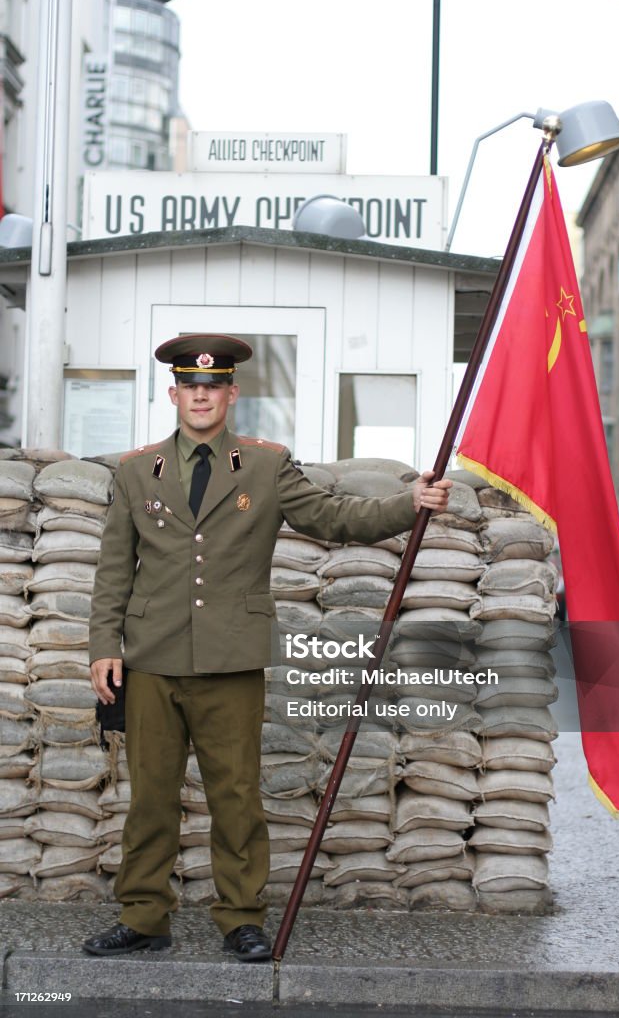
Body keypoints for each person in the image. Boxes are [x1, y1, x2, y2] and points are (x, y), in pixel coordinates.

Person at [83, 333, 452, 961]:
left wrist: (407, 503)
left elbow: (335, 517)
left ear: (231, 393)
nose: (201, 396)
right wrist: (102, 645)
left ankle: (241, 916)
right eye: (190, 387)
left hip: (231, 658)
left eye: (213, 386)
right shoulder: (134, 470)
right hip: (150, 659)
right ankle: (144, 916)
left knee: (235, 796)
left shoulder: (265, 465)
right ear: (173, 394)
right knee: (149, 797)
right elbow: (114, 566)